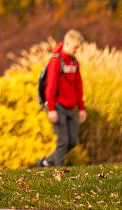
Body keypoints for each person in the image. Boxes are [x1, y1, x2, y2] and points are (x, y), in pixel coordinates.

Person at [38, 30, 88, 167]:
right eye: (75, 47)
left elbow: (79, 86)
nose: (77, 50)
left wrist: (82, 108)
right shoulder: (56, 61)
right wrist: (52, 109)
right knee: (63, 141)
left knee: (72, 142)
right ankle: (60, 172)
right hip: (58, 107)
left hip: (70, 107)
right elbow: (50, 86)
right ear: (67, 43)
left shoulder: (74, 62)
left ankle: (46, 162)